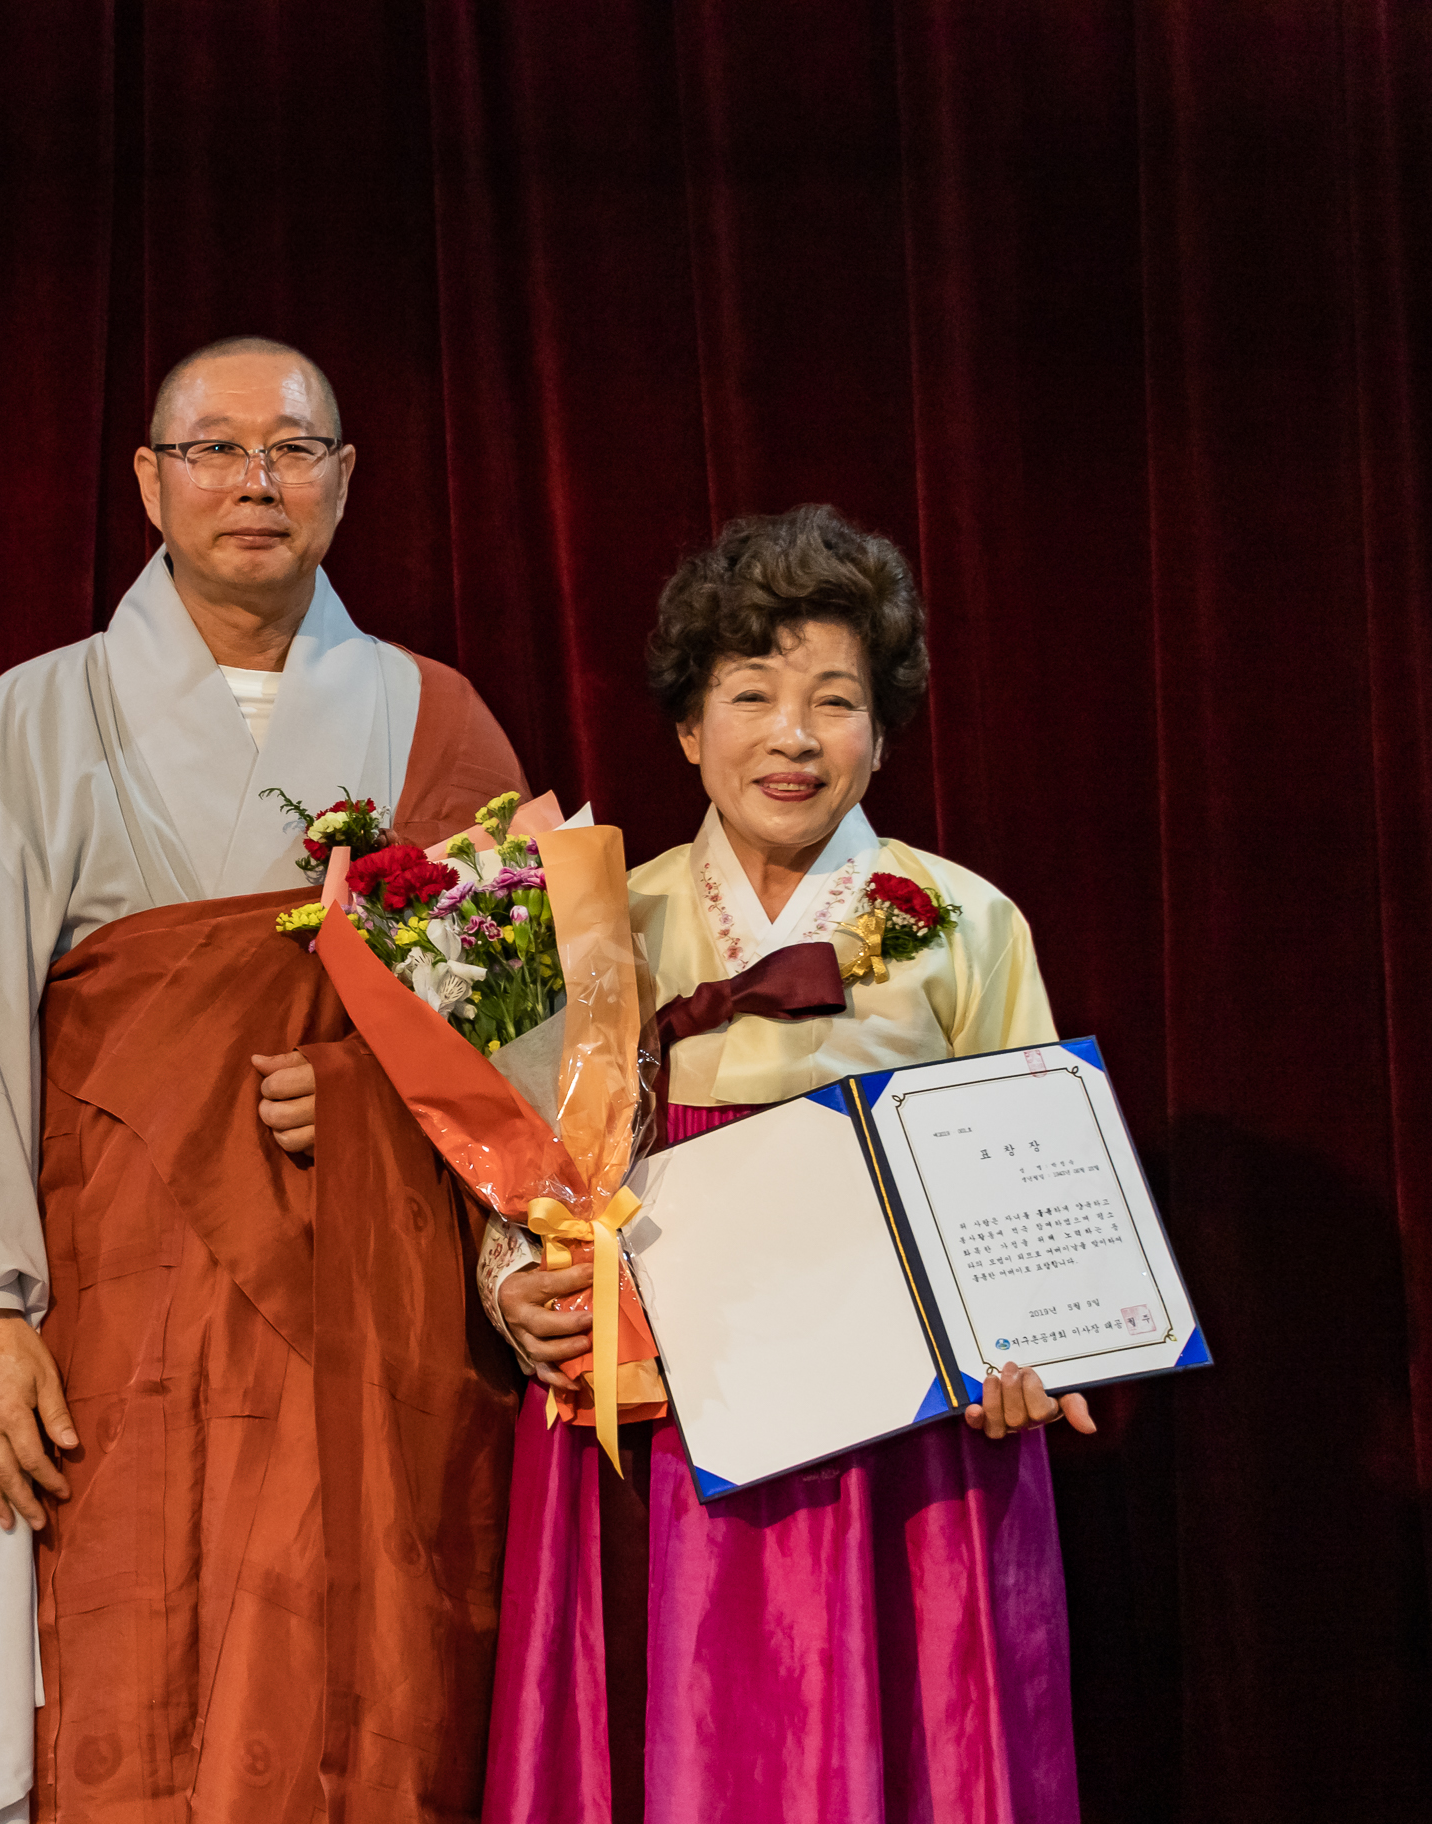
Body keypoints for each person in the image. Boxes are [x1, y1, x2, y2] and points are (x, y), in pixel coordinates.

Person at [0, 336, 529, 1824]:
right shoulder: (25, 728)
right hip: (107, 1309)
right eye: (214, 449)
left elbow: (529, 1054)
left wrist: (373, 1093)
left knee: (355, 1694)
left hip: (360, 1314)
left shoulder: (439, 723)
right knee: (119, 1678)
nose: (255, 481)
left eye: (292, 448)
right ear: (149, 482)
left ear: (344, 480)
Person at [479, 506, 1092, 1823]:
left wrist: (1031, 1349)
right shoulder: (602, 917)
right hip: (666, 1412)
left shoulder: (965, 922)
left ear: (884, 731)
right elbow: (526, 1171)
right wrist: (516, 1286)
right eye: (751, 694)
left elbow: (1035, 1182)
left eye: (836, 700)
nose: (794, 736)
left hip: (906, 1437)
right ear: (689, 729)